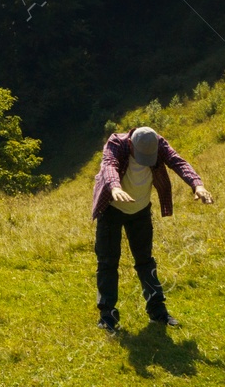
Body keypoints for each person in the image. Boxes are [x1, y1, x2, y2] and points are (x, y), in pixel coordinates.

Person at [91, 124, 214, 334]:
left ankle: (158, 312)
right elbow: (109, 166)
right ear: (130, 144)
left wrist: (197, 184)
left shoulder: (158, 143)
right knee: (108, 262)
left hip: (140, 210)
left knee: (145, 261)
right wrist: (115, 187)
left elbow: (178, 162)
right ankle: (107, 316)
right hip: (111, 210)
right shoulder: (116, 143)